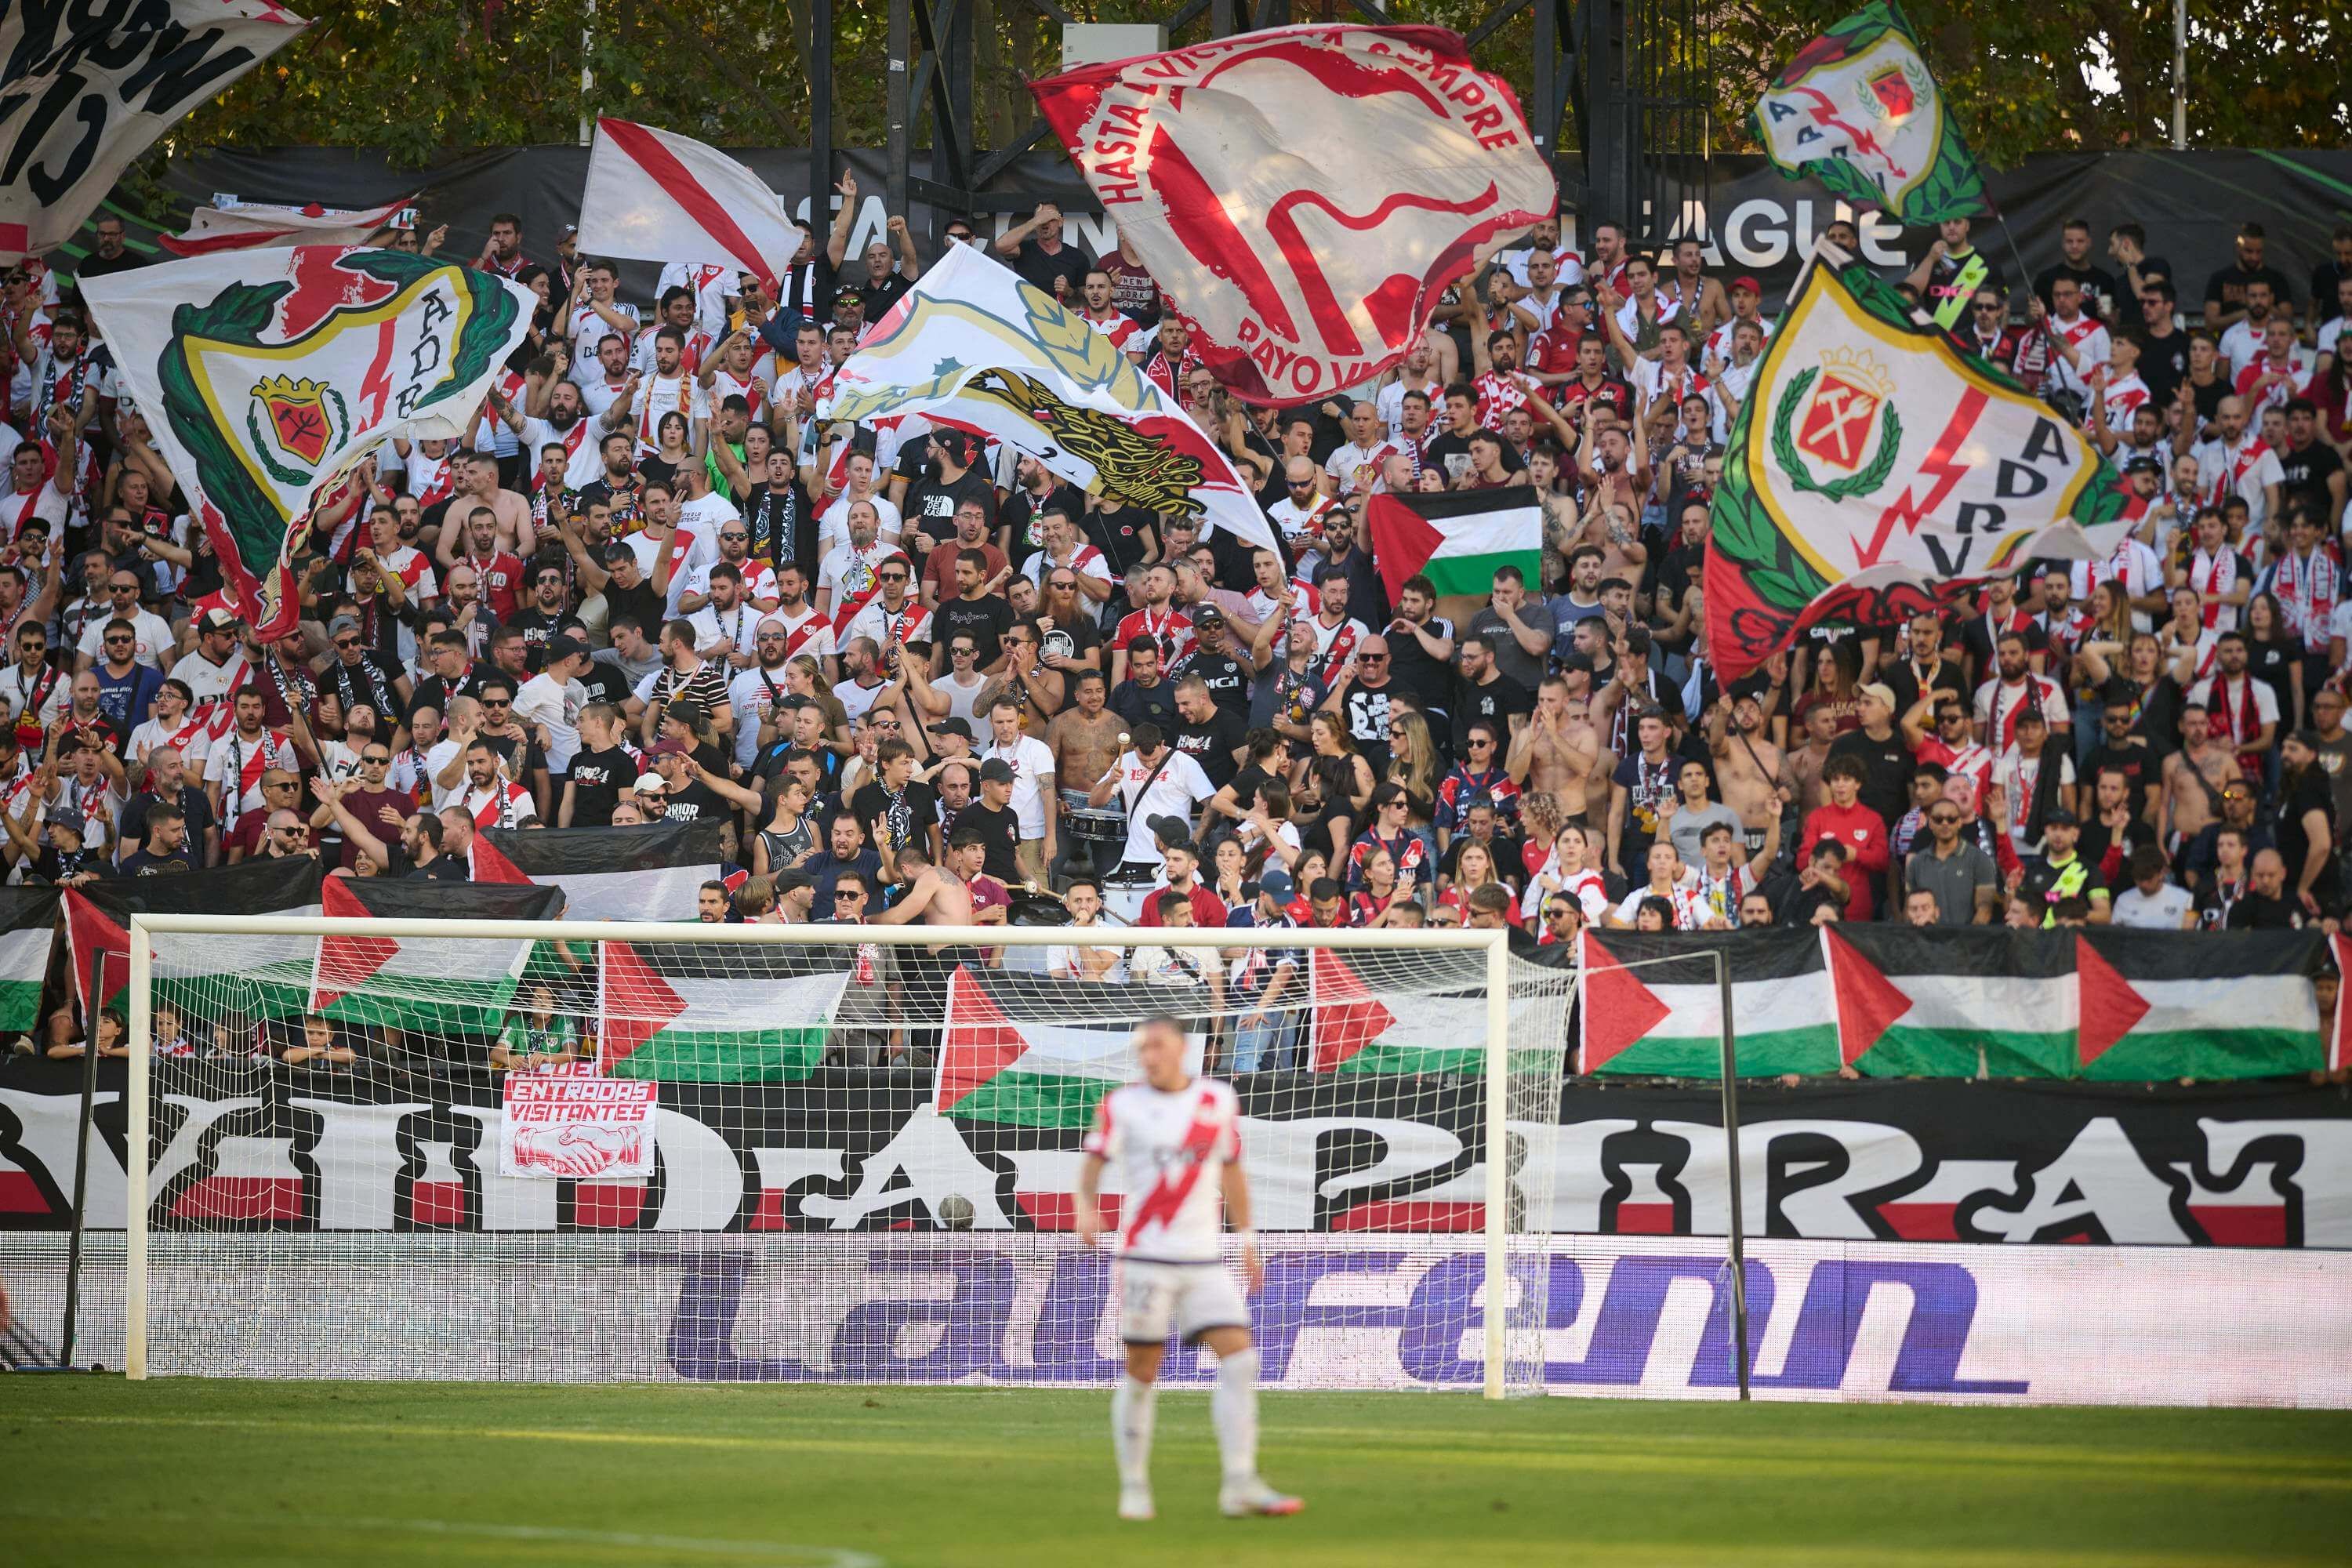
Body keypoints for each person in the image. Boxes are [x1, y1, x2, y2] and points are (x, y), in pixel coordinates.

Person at [1075, 1016, 1301, 1522]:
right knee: (1142, 1371)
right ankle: (1134, 1485)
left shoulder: (1217, 1101)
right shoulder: (1122, 1104)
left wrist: (1247, 1240)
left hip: (1204, 1258)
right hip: (1145, 1257)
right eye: (1142, 1048)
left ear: (1181, 1048)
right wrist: (1086, 1206)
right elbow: (1091, 1166)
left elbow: (1232, 1171)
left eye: (1156, 1045)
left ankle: (1239, 1484)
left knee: (1241, 1360)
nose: (1148, 1055)